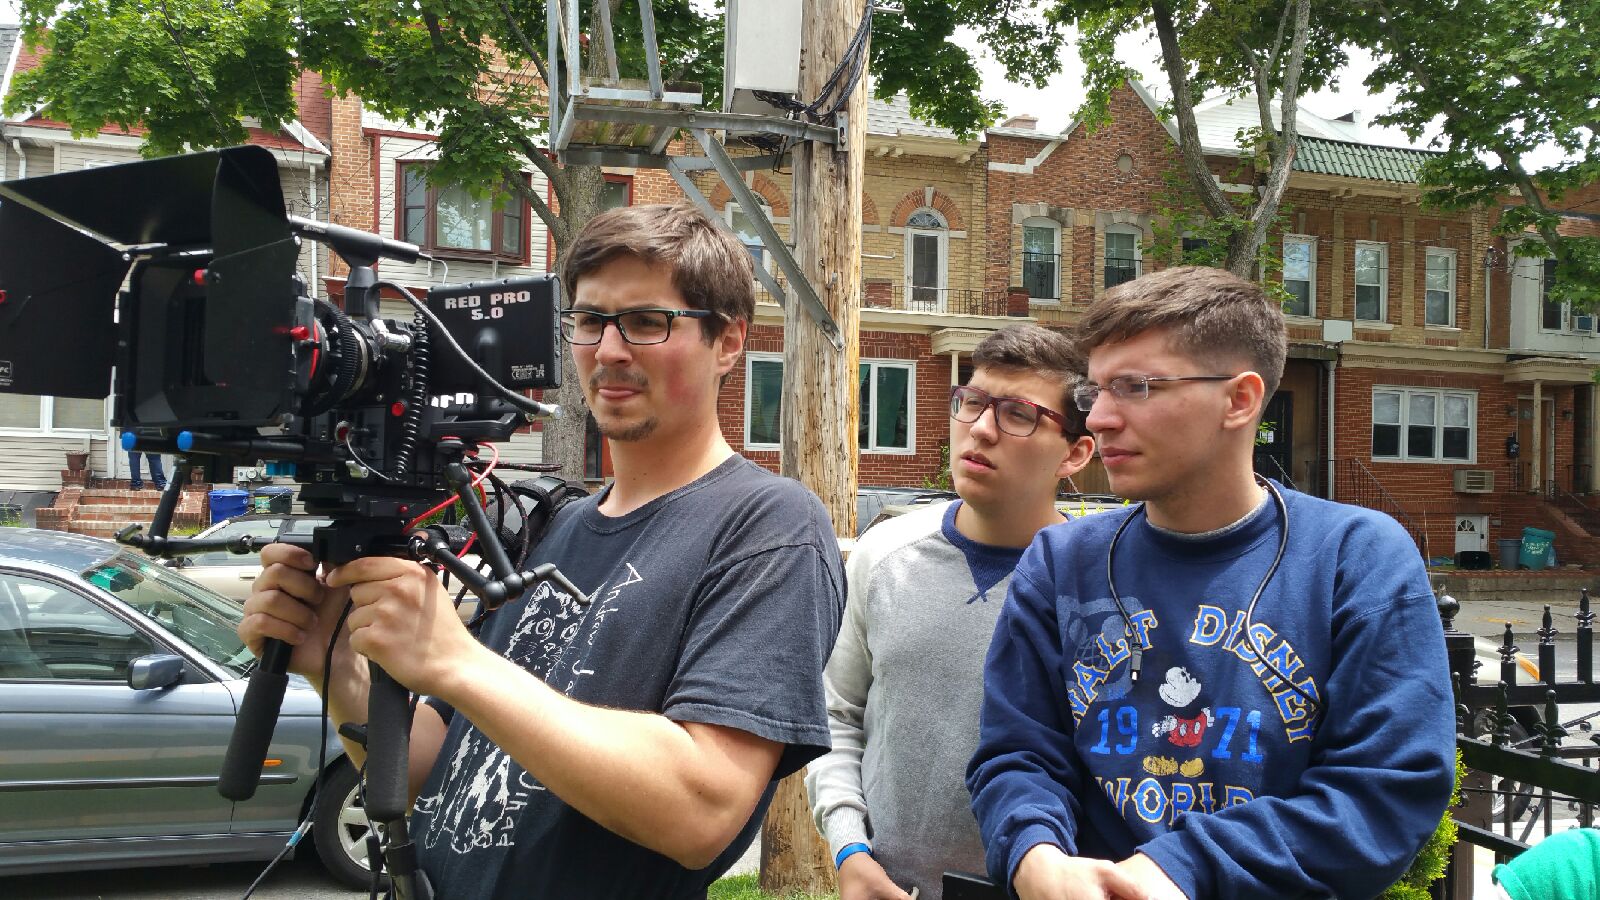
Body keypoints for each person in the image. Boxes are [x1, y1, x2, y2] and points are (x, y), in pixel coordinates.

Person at [238, 204, 845, 898]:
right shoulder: (556, 527)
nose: (609, 351)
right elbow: (430, 771)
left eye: (647, 322)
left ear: (729, 342)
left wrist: (457, 662)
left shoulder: (769, 524)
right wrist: (335, 665)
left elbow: (701, 809)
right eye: (590, 321)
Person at [966, 266, 1457, 900]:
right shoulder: (1062, 562)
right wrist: (1034, 856)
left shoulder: (1354, 559)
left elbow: (1385, 793)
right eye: (1098, 392)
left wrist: (1182, 866)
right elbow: (1017, 753)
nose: (1102, 419)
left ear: (1240, 399)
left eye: (1136, 387)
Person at [806, 325, 1096, 900]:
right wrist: (849, 849)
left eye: (1018, 415)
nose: (981, 430)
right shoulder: (883, 553)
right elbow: (836, 717)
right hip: (889, 886)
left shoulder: (1100, 586)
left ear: (1077, 453)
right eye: (973, 403)